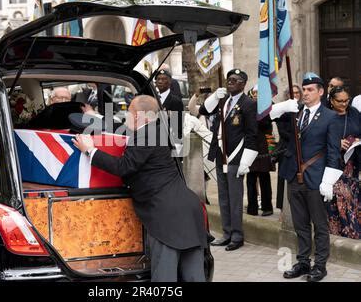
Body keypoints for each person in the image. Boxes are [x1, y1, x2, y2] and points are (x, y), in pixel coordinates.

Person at [73, 95, 208, 282]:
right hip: (188, 209)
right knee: (194, 276)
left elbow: (124, 166)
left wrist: (90, 150)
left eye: (129, 112)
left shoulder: (146, 134)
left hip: (167, 215)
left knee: (165, 278)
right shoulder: (158, 131)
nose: (127, 117)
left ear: (139, 116)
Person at [270, 72, 342, 282]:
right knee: (300, 224)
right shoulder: (295, 111)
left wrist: (328, 181)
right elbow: (264, 116)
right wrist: (283, 107)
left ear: (321, 92)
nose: (306, 93)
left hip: (316, 178)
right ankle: (303, 262)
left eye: (311, 90)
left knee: (319, 225)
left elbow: (333, 152)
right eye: (305, 89)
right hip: (294, 175)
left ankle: (320, 266)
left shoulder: (330, 117)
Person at [199, 69, 258, 251]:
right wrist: (215, 97)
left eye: (235, 80)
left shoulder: (248, 104)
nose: (230, 82)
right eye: (229, 79)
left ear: (243, 84)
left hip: (236, 157)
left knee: (235, 199)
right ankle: (226, 233)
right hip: (220, 155)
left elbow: (252, 134)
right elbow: (203, 110)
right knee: (223, 198)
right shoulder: (223, 100)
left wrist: (246, 161)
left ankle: (237, 236)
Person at [326, 86, 361, 239]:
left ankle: (352, 230)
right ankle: (337, 231)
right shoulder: (325, 115)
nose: (344, 104)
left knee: (351, 197)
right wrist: (336, 142)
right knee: (337, 197)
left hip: (352, 163)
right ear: (331, 101)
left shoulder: (354, 113)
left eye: (346, 100)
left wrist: (358, 140)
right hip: (333, 164)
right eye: (339, 101)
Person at [246, 86, 274, 216]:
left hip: (263, 144)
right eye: (255, 92)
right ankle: (252, 207)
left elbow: (266, 123)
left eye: (259, 92)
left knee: (264, 177)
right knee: (251, 178)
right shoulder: (247, 106)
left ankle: (267, 207)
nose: (256, 94)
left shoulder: (268, 106)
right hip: (250, 144)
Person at [275, 84, 303, 210]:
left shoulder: (303, 108)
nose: (295, 95)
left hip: (301, 147)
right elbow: (282, 132)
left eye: (297, 93)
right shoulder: (282, 110)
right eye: (292, 93)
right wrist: (297, 137)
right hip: (286, 147)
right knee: (283, 178)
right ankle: (282, 208)